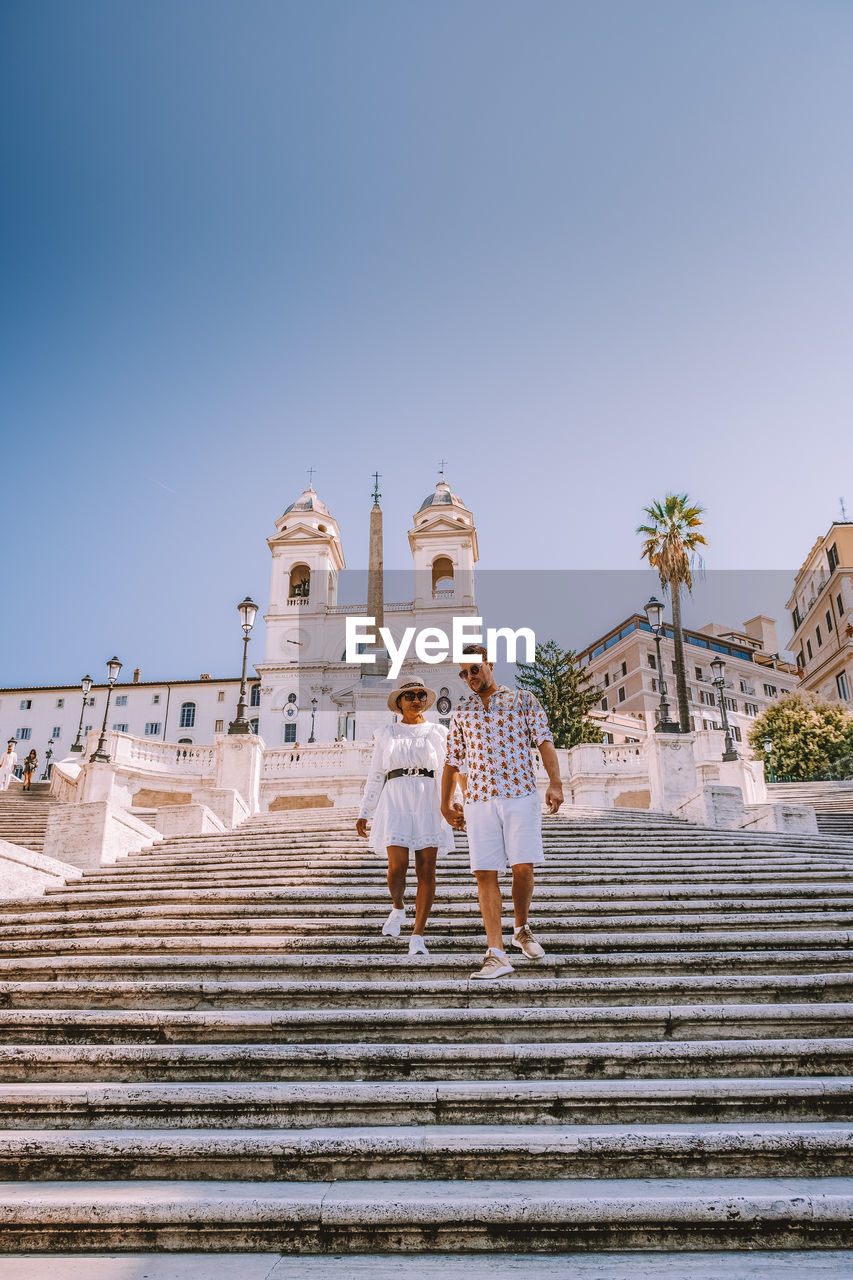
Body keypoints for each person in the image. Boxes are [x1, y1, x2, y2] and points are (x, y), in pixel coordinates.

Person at [441, 644, 564, 980]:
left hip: (520, 794)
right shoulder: (462, 713)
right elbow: (452, 760)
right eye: (464, 674)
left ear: (489, 663)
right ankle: (496, 953)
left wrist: (555, 782)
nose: (469, 677)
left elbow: (544, 740)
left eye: (474, 669)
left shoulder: (524, 699)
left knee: (522, 867)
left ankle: (521, 928)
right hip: (479, 800)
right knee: (484, 872)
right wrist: (446, 800)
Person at [356, 676, 454, 956]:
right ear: (399, 703)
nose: (416, 700)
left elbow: (448, 770)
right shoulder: (386, 733)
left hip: (428, 796)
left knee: (426, 869)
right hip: (395, 795)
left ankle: (418, 934)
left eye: (421, 695)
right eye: (409, 695)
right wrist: (365, 811)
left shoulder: (438, 732)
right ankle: (398, 906)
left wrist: (453, 804)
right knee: (396, 865)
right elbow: (376, 773)